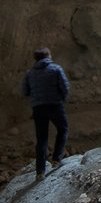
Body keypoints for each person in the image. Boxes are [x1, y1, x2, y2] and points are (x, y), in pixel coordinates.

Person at [21, 47, 70, 181]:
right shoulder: (56, 69)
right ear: (48, 56)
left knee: (41, 139)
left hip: (38, 108)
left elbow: (25, 91)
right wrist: (63, 98)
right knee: (63, 129)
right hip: (55, 105)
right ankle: (56, 159)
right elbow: (65, 87)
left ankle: (40, 172)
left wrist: (36, 97)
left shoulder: (30, 73)